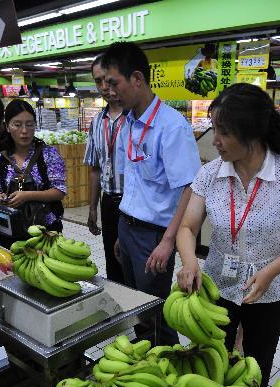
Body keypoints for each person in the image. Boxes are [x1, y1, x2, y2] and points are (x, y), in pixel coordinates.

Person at [176, 83, 280, 387]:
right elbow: (187, 227)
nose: (215, 141)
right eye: (214, 129)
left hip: (269, 287)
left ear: (252, 133)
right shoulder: (210, 174)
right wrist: (189, 263)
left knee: (257, 363)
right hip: (217, 284)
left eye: (224, 132)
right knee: (212, 359)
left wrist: (270, 272)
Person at [101, 41, 201, 345]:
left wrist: (168, 241)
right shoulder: (128, 123)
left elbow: (190, 187)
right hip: (128, 229)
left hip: (155, 235)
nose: (109, 90)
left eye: (113, 82)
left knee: (155, 312)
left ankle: (168, 369)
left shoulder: (171, 127)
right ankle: (145, 360)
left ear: (137, 79)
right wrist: (123, 230)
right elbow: (136, 182)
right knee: (137, 307)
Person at [0, 99, 66, 240]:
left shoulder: (49, 154)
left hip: (46, 229)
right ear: (7, 127)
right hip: (13, 228)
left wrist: (27, 195)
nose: (24, 131)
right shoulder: (0, 159)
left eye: (29, 124)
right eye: (17, 125)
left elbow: (59, 191)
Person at [83, 54, 126, 284]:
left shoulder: (136, 119)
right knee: (112, 262)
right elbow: (95, 169)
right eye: (98, 81)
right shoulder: (97, 122)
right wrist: (92, 208)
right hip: (108, 201)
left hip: (134, 205)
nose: (104, 87)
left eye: (108, 80)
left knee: (133, 265)